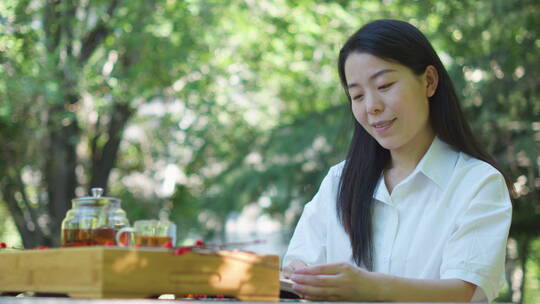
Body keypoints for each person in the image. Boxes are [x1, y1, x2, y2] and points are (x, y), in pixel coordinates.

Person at [282, 19, 513, 302]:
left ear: (428, 81)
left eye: (385, 85)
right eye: (357, 95)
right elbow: (296, 268)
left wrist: (369, 286)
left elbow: (462, 293)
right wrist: (299, 274)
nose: (371, 106)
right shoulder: (338, 182)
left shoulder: (478, 183)